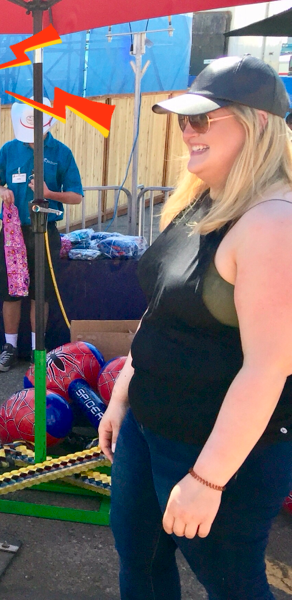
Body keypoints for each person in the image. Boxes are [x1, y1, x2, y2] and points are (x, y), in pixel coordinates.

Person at [99, 55, 292, 599]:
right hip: (149, 426)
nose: (187, 130)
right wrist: (122, 398)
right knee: (139, 562)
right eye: (183, 119)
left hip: (220, 451)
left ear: (254, 125)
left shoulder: (275, 222)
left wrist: (207, 480)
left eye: (202, 119)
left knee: (232, 584)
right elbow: (163, 308)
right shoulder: (204, 200)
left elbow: (268, 367)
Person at [0, 98, 84, 372]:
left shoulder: (61, 152)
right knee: (10, 292)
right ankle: (9, 348)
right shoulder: (8, 150)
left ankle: (38, 350)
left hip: (44, 231)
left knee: (40, 293)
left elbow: (76, 196)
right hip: (12, 231)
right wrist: (2, 191)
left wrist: (48, 194)